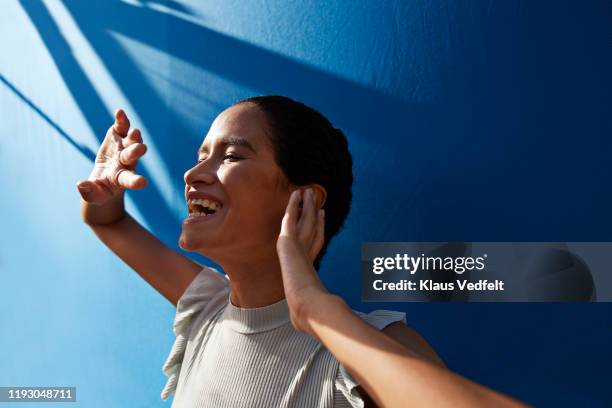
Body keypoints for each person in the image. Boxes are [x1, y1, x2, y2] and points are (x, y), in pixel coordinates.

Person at [76, 96, 525, 407]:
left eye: (230, 156)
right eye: (202, 154)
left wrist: (311, 307)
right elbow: (107, 220)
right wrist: (105, 186)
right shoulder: (206, 307)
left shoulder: (361, 347)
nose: (194, 173)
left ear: (303, 201)